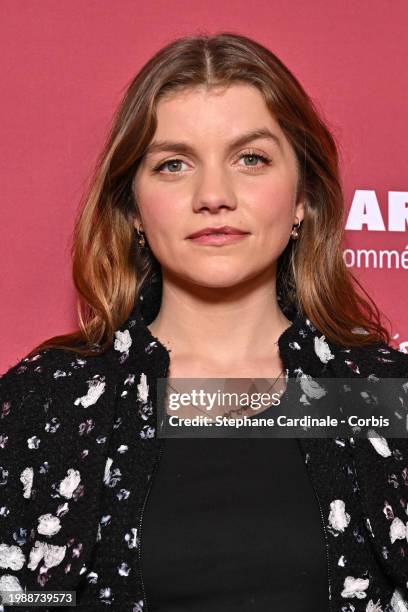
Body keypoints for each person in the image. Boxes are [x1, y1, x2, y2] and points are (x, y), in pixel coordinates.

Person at [1, 31, 408, 612]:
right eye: (173, 164)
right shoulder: (46, 401)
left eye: (251, 159)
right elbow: (22, 600)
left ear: (302, 200)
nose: (213, 194)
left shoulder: (386, 396)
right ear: (133, 209)